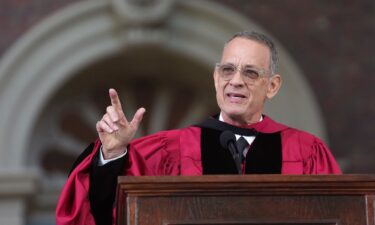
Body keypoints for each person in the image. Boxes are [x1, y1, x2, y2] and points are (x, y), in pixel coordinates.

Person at [56, 31, 342, 225]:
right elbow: (104, 214)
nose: (236, 81)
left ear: (273, 85)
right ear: (216, 77)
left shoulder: (307, 152)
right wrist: (114, 153)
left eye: (251, 73)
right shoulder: (168, 149)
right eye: (228, 70)